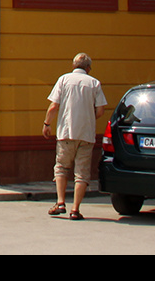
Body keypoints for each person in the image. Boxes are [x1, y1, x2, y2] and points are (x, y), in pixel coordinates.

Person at [43, 52, 107, 220]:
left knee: (62, 167)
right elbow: (100, 110)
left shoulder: (63, 80)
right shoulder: (94, 83)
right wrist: (88, 117)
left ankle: (60, 202)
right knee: (81, 174)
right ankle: (75, 209)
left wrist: (47, 124)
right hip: (86, 135)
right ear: (88, 68)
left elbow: (53, 106)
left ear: (73, 66)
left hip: (65, 132)